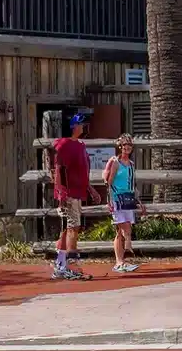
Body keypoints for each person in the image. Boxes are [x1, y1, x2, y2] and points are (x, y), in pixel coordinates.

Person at [49, 109, 96, 280]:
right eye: (82, 123)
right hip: (68, 194)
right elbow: (59, 170)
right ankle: (66, 264)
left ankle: (62, 263)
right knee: (70, 228)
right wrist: (61, 194)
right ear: (74, 126)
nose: (84, 126)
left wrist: (90, 189)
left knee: (71, 227)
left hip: (77, 193)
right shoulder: (65, 145)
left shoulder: (80, 146)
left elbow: (82, 171)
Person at [102, 134, 141, 274]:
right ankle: (120, 261)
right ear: (120, 147)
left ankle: (121, 260)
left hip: (129, 198)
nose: (127, 148)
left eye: (129, 145)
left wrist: (138, 201)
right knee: (122, 229)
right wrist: (110, 200)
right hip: (118, 198)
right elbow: (109, 182)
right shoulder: (115, 162)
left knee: (126, 229)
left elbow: (132, 184)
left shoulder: (131, 164)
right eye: (125, 145)